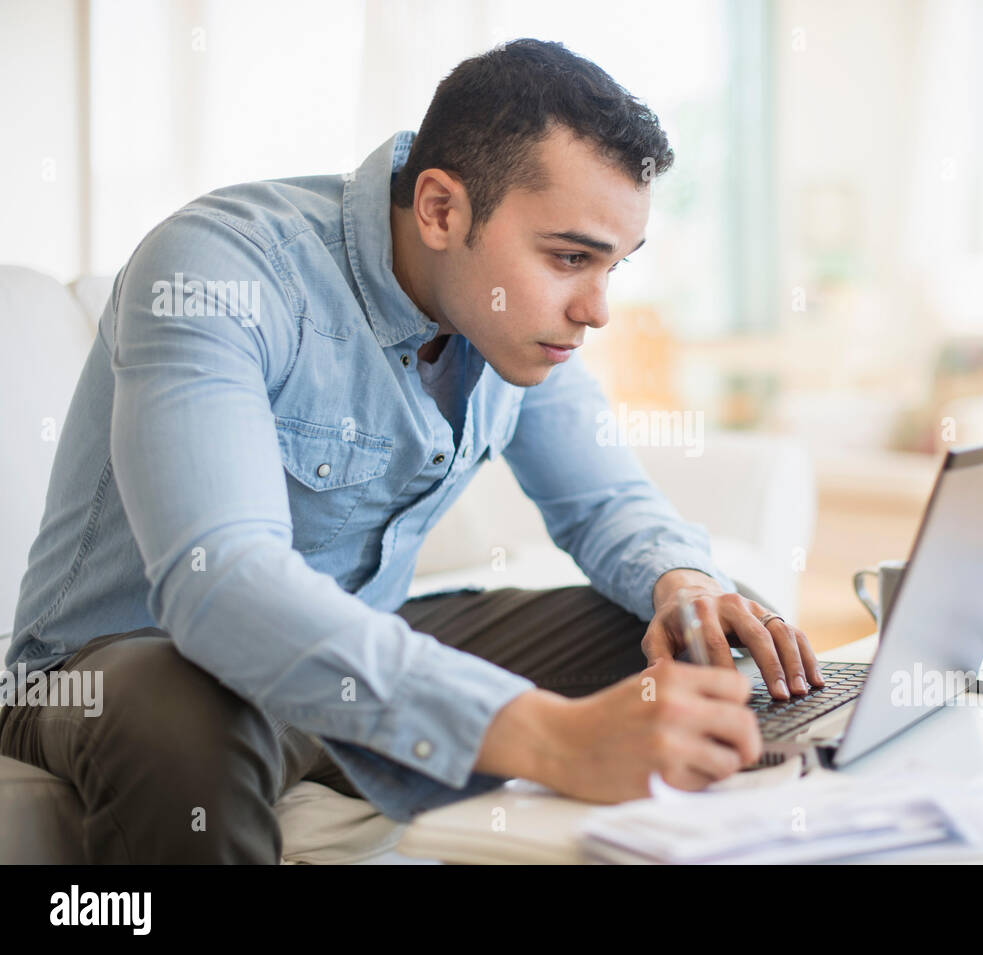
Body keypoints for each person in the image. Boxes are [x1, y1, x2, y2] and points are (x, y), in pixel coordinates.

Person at [0, 37, 822, 864]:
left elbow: (607, 504)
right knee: (176, 707)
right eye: (570, 257)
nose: (597, 309)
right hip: (128, 670)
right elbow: (223, 587)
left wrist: (680, 579)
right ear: (440, 209)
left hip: (355, 652)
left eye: (614, 266)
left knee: (686, 631)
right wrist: (547, 736)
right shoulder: (222, 269)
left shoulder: (511, 322)